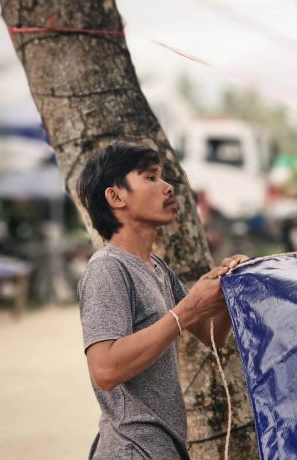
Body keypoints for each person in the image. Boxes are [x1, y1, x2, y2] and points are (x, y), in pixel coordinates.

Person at [76, 142, 248, 459]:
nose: (168, 187)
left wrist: (225, 286)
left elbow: (212, 335)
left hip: (162, 448)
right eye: (151, 178)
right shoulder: (107, 268)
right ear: (115, 197)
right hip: (131, 448)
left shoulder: (158, 270)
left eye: (163, 177)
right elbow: (105, 370)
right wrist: (187, 309)